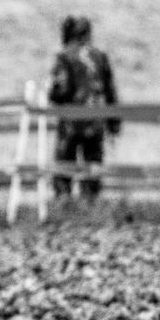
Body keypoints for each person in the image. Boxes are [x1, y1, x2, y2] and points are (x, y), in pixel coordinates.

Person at [48, 15, 119, 199]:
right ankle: (90, 206)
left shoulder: (65, 57)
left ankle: (64, 205)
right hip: (95, 122)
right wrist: (114, 123)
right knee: (92, 168)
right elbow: (110, 91)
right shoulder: (99, 57)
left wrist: (51, 94)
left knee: (64, 168)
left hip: (71, 122)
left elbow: (60, 91)